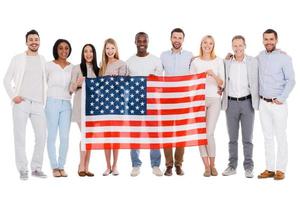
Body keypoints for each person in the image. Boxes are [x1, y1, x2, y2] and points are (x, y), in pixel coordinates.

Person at [3, 29, 47, 180]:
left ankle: (36, 168)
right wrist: (14, 96)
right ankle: (23, 169)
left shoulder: (42, 59)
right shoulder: (17, 59)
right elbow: (6, 79)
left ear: (39, 41)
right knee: (20, 137)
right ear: (26, 42)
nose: (34, 42)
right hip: (21, 103)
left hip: (38, 104)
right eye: (31, 39)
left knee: (41, 136)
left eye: (36, 39)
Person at [257, 29, 295, 180]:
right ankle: (270, 168)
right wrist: (230, 56)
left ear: (276, 40)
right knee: (267, 137)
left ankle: (281, 169)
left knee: (280, 136)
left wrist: (282, 97)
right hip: (263, 103)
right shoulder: (259, 56)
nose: (269, 42)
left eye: (271, 39)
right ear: (263, 41)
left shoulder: (284, 58)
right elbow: (246, 62)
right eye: (266, 39)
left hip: (278, 103)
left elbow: (291, 80)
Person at [221, 35, 259, 178]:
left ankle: (248, 167)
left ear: (245, 46)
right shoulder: (226, 62)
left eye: (240, 45)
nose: (238, 48)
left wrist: (279, 51)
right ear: (232, 47)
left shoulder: (253, 61)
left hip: (247, 103)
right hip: (230, 103)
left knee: (247, 138)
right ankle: (232, 166)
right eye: (235, 46)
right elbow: (211, 62)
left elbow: (266, 57)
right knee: (232, 138)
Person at [127, 32, 163, 177]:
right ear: (135, 42)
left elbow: (161, 83)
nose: (142, 43)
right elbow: (125, 83)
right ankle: (136, 164)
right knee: (134, 134)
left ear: (148, 42)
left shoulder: (155, 60)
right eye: (139, 40)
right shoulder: (129, 61)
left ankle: (155, 165)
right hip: (134, 102)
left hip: (152, 102)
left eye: (144, 41)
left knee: (154, 134)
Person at [160, 28, 193, 176]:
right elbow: (156, 73)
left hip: (183, 99)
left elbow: (200, 64)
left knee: (181, 133)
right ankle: (168, 165)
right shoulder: (163, 56)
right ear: (171, 39)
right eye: (175, 37)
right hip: (166, 99)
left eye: (180, 38)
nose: (177, 40)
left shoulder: (189, 56)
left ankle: (179, 165)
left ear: (183, 40)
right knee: (167, 133)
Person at [190, 35, 224, 177]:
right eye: (205, 42)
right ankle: (206, 167)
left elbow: (221, 83)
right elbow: (190, 83)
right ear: (201, 44)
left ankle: (213, 165)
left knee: (209, 133)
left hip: (214, 99)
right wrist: (201, 78)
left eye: (210, 43)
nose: (207, 45)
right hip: (198, 100)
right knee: (200, 134)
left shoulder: (219, 61)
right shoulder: (195, 61)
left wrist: (213, 75)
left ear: (213, 46)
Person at [99, 38, 128, 176]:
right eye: (107, 48)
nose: (110, 51)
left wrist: (117, 80)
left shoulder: (122, 64)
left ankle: (115, 166)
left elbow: (125, 86)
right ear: (104, 50)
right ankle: (107, 166)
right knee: (106, 136)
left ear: (116, 50)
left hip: (117, 105)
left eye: (112, 48)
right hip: (105, 105)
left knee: (116, 135)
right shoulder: (102, 66)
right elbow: (99, 86)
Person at [70, 44, 99, 177]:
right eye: (85, 51)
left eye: (91, 51)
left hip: (93, 106)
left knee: (90, 137)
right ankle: (81, 165)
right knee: (85, 136)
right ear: (82, 54)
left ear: (94, 53)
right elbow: (71, 89)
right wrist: (77, 83)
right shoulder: (77, 68)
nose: (88, 54)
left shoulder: (98, 70)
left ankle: (86, 167)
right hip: (80, 105)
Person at [45, 39, 73, 177]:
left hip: (67, 103)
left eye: (66, 48)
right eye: (61, 48)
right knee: (52, 136)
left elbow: (73, 87)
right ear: (56, 49)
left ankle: (62, 166)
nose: (64, 51)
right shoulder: (48, 66)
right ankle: (54, 166)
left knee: (64, 136)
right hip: (52, 103)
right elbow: (39, 83)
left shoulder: (72, 67)